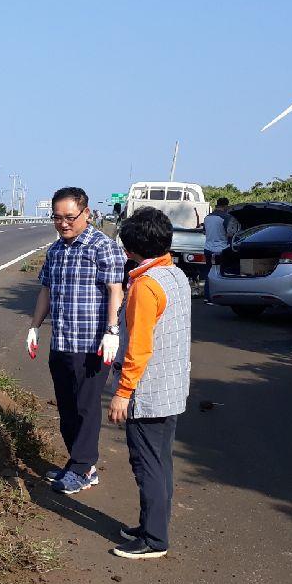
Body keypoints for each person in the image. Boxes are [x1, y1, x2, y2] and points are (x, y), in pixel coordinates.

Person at [27, 186, 126, 495]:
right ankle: (81, 463)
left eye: (70, 217)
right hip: (62, 341)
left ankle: (83, 467)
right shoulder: (56, 250)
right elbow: (46, 290)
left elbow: (115, 290)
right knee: (67, 406)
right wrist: (34, 327)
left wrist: (112, 330)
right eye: (57, 217)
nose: (63, 223)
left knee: (86, 407)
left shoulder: (102, 247)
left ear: (86, 213)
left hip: (92, 344)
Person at [107, 207, 191, 559]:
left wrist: (122, 393)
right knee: (161, 462)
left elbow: (139, 347)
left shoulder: (145, 286)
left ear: (130, 249)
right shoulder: (175, 274)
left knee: (148, 465)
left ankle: (154, 539)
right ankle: (151, 525)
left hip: (149, 391)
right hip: (172, 385)